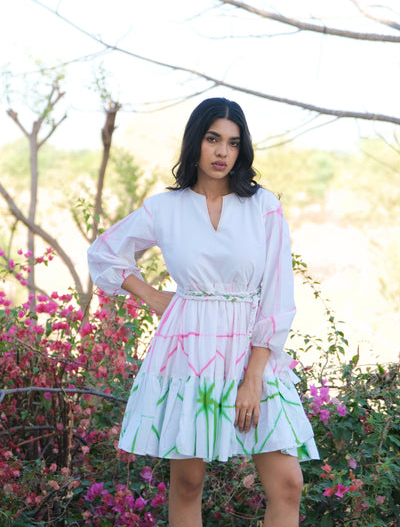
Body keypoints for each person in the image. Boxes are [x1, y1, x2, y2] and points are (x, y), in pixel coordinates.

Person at [87, 97, 319, 527]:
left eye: (232, 143)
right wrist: (152, 296)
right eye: (213, 139)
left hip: (251, 351)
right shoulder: (165, 208)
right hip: (188, 348)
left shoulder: (263, 207)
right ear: (195, 141)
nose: (221, 152)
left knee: (287, 484)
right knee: (188, 483)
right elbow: (105, 252)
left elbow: (277, 297)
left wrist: (253, 377)